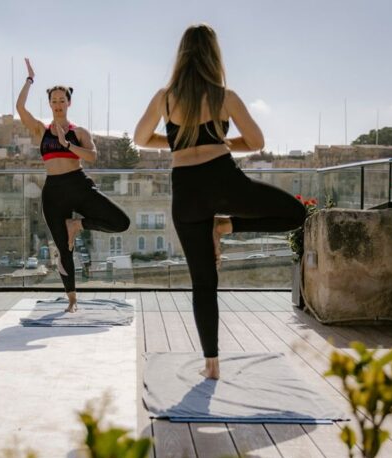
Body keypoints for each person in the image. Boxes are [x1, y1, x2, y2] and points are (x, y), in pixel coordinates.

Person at [134, 24, 306, 379]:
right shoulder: (224, 96)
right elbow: (256, 141)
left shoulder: (165, 97)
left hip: (186, 191)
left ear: (182, 55)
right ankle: (228, 225)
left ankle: (211, 364)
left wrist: (180, 140)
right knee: (296, 214)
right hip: (224, 181)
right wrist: (221, 143)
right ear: (214, 54)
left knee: (203, 282)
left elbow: (140, 138)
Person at [16, 58, 130, 312]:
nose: (58, 104)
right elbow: (20, 107)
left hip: (78, 185)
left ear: (69, 102)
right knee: (62, 247)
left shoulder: (79, 132)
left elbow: (92, 156)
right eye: (53, 100)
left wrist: (67, 144)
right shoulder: (40, 130)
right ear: (49, 104)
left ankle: (77, 224)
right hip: (53, 191)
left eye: (62, 100)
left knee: (121, 222)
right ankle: (72, 299)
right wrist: (30, 79)